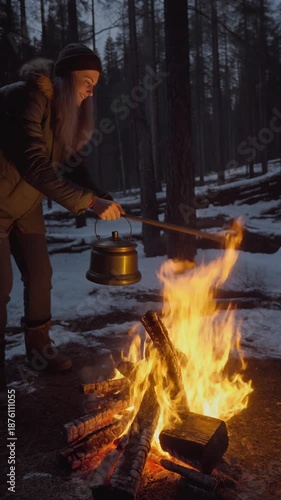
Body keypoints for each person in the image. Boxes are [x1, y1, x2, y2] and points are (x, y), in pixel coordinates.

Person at [0, 43, 124, 406]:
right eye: (86, 81)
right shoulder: (26, 98)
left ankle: (39, 348)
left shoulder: (64, 113)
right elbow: (35, 166)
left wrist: (103, 196)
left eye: (95, 84)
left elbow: (74, 165)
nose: (90, 90)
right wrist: (89, 203)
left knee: (40, 275)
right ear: (65, 78)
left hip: (24, 205)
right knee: (1, 287)